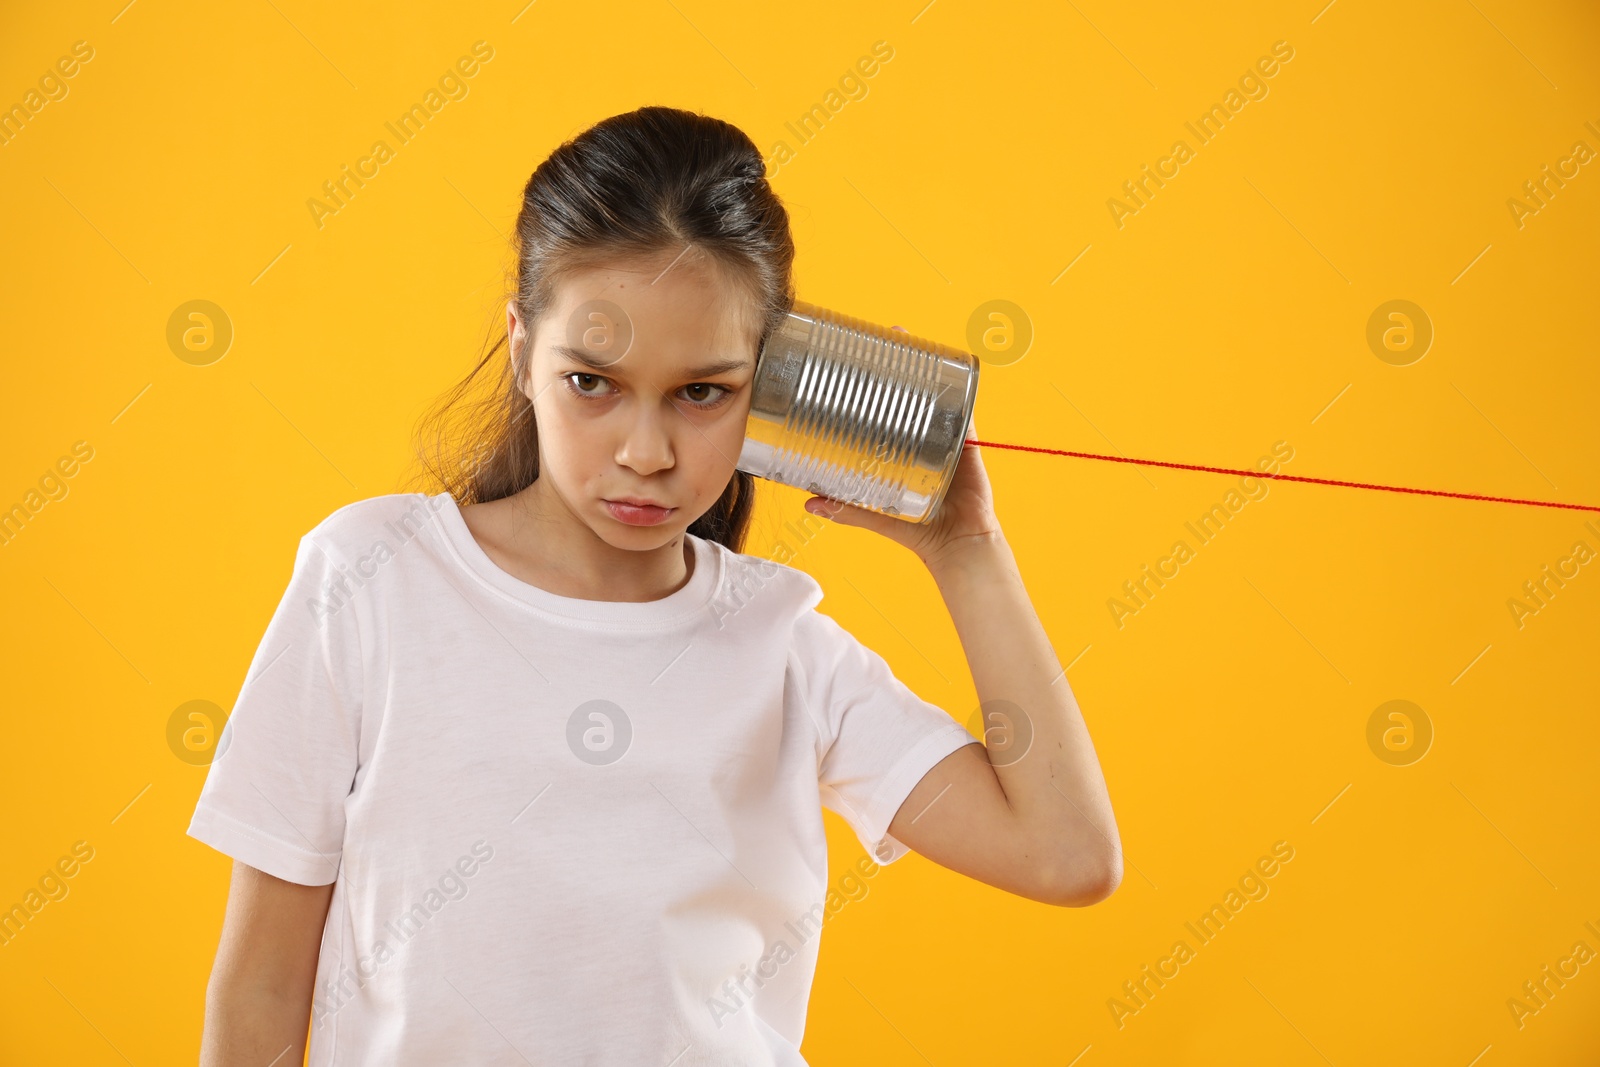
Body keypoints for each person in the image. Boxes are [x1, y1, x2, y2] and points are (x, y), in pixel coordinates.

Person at [189, 105, 1121, 1066]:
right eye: (592, 382)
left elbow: (1068, 856)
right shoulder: (374, 581)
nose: (646, 453)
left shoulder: (783, 645)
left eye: (702, 392)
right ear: (520, 348)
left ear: (772, 384)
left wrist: (966, 550)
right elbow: (262, 982)